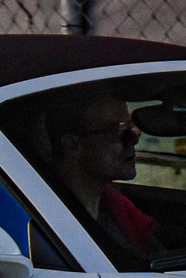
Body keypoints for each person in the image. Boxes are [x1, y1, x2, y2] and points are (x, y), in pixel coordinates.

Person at [36, 86, 161, 260]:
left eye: (131, 128)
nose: (133, 139)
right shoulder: (49, 227)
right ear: (73, 145)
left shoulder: (121, 212)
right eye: (117, 131)